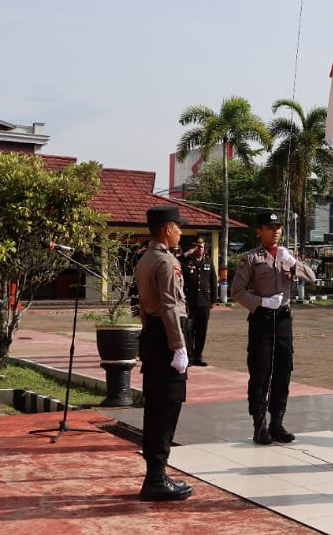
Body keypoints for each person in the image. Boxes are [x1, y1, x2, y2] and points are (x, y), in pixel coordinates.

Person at [232, 211, 316, 445]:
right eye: (270, 227)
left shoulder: (287, 255)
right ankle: (260, 425)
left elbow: (311, 278)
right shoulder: (250, 258)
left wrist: (293, 263)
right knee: (260, 371)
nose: (276, 231)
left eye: (278, 227)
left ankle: (277, 423)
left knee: (283, 370)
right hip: (262, 319)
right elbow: (237, 291)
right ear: (259, 230)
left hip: (283, 319)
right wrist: (261, 302)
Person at [132, 205, 192, 501]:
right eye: (178, 227)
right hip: (167, 338)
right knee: (167, 407)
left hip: (153, 335)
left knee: (155, 407)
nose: (181, 232)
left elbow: (144, 306)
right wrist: (178, 347)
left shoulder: (145, 258)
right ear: (167, 229)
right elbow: (169, 306)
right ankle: (156, 479)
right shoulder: (166, 261)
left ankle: (156, 474)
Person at [180, 237, 217, 366]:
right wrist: (188, 252)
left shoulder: (208, 261)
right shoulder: (186, 261)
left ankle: (198, 356)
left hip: (204, 301)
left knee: (202, 331)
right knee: (189, 330)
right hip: (190, 302)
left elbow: (213, 281)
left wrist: (213, 300)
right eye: (196, 247)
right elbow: (177, 261)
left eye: (201, 247)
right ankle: (189, 357)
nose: (199, 249)